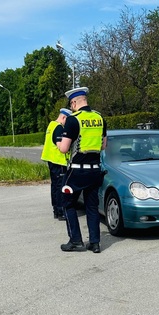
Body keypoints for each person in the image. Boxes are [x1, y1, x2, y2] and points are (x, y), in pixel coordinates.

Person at [59, 87, 107, 253]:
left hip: (77, 172)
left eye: (71, 104)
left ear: (73, 102)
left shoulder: (73, 120)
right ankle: (95, 243)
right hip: (95, 171)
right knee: (92, 206)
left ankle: (76, 241)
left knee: (67, 203)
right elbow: (103, 145)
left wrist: (60, 143)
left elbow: (64, 149)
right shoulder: (100, 118)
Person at [41, 108, 72, 221]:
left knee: (54, 186)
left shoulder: (51, 125)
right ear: (64, 117)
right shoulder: (59, 128)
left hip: (52, 161)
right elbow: (60, 146)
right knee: (59, 187)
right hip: (58, 162)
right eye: (67, 121)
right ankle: (60, 211)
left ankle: (56, 210)